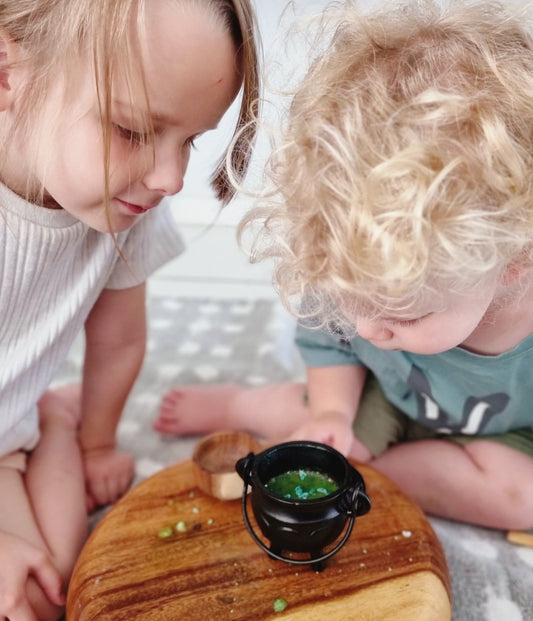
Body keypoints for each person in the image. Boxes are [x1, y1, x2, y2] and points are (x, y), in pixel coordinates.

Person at [154, 0, 533, 533]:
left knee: (523, 499)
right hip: (382, 398)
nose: (366, 328)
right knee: (315, 418)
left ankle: (371, 473)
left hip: (503, 436)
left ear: (513, 259)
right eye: (353, 302)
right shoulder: (360, 263)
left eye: (405, 314)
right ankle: (247, 405)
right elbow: (330, 345)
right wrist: (332, 414)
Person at [0, 0, 260, 619]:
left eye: (190, 141)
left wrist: (96, 444)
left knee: (54, 585)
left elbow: (118, 341)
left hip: (9, 435)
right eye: (135, 131)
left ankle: (55, 422)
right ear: (8, 73)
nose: (171, 178)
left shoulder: (127, 205)